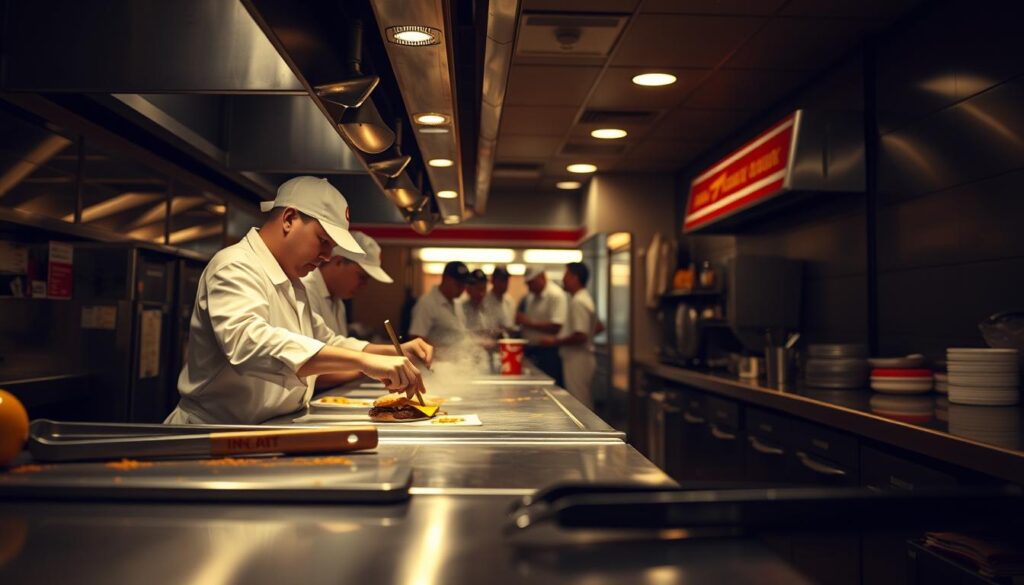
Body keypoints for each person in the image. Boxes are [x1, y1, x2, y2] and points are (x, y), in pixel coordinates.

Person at [166, 176, 431, 425]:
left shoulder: (292, 281)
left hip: (268, 427)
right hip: (215, 430)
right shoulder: (235, 265)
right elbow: (248, 342)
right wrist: (364, 363)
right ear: (289, 219)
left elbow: (328, 342)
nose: (327, 255)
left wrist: (394, 351)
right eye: (323, 240)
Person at [302, 230, 395, 389]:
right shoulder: (304, 290)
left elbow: (335, 346)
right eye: (361, 276)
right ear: (338, 261)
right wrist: (367, 367)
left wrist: (392, 353)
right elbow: (308, 369)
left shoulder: (338, 301)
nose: (364, 286)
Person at [540, 262, 598, 408]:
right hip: (579, 357)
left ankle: (587, 431)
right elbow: (598, 326)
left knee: (580, 404)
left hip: (578, 359)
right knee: (581, 400)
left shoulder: (579, 301)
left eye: (566, 275)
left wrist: (555, 341)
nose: (563, 279)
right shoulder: (583, 298)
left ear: (575, 278)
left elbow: (581, 336)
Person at [516, 266, 567, 386]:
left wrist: (529, 323)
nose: (529, 287)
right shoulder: (530, 296)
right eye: (527, 284)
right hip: (531, 350)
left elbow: (556, 326)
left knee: (550, 386)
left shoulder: (556, 295)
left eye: (532, 283)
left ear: (542, 277)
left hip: (548, 352)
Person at [409, 260, 469, 349]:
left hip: (457, 359)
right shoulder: (427, 303)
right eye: (459, 284)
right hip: (437, 361)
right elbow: (416, 337)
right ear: (445, 279)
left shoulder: (457, 302)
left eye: (464, 285)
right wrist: (441, 351)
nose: (462, 289)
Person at [482, 265, 515, 333]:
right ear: (493, 280)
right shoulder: (483, 300)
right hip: (488, 340)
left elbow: (510, 324)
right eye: (501, 280)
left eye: (506, 280)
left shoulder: (510, 301)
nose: (504, 284)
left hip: (506, 340)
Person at [458, 269, 492, 335]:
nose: (481, 293)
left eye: (484, 289)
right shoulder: (460, 308)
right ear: (468, 289)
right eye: (478, 289)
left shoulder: (487, 307)